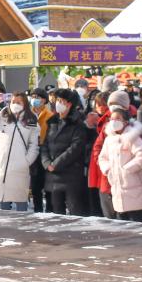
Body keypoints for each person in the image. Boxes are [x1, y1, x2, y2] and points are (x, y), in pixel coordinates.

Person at [0, 92, 39, 211]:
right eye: (13, 102)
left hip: (19, 168)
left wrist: (26, 161)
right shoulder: (2, 116)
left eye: (18, 102)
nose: (15, 104)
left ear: (25, 104)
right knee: (2, 204)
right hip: (0, 167)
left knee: (21, 204)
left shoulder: (31, 120)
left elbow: (34, 145)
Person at [41, 88, 90, 216]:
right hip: (53, 175)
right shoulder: (52, 122)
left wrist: (55, 164)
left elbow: (75, 148)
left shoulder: (78, 124)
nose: (58, 103)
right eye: (57, 100)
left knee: (75, 210)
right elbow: (45, 144)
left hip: (70, 174)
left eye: (61, 101)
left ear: (69, 104)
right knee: (57, 211)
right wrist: (46, 163)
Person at [97, 108, 142, 222]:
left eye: (118, 118)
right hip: (117, 192)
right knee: (122, 227)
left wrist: (127, 169)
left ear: (125, 122)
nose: (114, 121)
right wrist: (108, 169)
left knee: (136, 226)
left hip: (135, 190)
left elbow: (141, 155)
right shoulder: (109, 139)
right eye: (112, 119)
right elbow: (102, 157)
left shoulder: (132, 137)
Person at [91, 91, 130, 218]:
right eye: (111, 103)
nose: (113, 106)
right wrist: (105, 167)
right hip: (107, 178)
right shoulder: (108, 125)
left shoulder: (135, 124)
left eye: (116, 103)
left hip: (129, 180)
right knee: (110, 218)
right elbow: (97, 149)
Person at [28, 88, 53, 213]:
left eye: (38, 97)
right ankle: (37, 210)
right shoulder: (27, 115)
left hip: (45, 151)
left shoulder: (50, 116)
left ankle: (49, 210)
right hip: (32, 150)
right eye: (33, 96)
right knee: (35, 185)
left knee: (47, 184)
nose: (35, 99)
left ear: (45, 100)